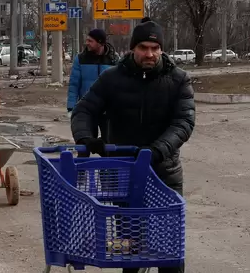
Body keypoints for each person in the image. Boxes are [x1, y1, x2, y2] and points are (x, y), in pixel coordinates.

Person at [70, 18, 195, 273]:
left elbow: (183, 122)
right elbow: (84, 110)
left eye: (154, 48)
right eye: (143, 48)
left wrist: (157, 150)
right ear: (132, 49)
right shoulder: (112, 78)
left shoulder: (178, 80)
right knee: (132, 248)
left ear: (161, 49)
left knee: (169, 248)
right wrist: (86, 137)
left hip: (163, 172)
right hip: (123, 173)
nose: (149, 53)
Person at [67, 28, 119, 113]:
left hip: (108, 110)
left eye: (90, 41)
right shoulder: (80, 59)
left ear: (100, 43)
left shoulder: (114, 59)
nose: (87, 43)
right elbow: (74, 85)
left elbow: (119, 85)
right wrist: (71, 107)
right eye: (87, 40)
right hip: (86, 108)